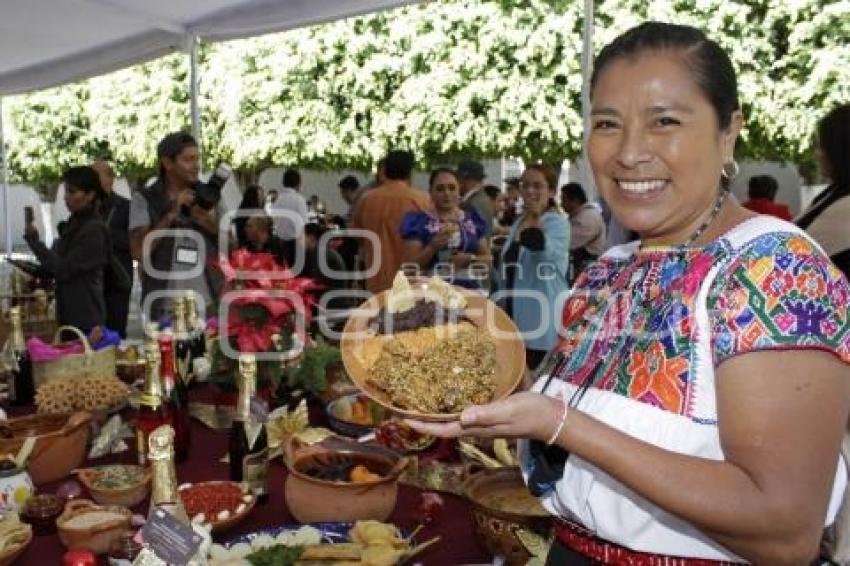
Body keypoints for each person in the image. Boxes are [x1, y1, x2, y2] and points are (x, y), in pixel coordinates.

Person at [410, 22, 850, 564]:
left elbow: (783, 530)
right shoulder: (609, 271)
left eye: (664, 121)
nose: (629, 152)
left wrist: (560, 424)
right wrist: (482, 380)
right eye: (607, 124)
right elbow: (580, 418)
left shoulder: (773, 269)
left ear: (729, 132)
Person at [129, 132, 222, 322]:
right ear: (167, 163)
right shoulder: (145, 198)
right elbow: (138, 251)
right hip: (164, 304)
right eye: (188, 159)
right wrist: (171, 213)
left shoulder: (210, 196)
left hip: (208, 302)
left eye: (197, 159)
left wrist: (208, 222)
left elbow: (233, 246)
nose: (196, 166)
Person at [491, 163, 570, 370]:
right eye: (525, 185)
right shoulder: (519, 221)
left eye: (537, 186)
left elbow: (543, 249)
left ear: (551, 191)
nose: (530, 191)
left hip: (541, 316)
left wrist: (535, 221)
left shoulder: (556, 222)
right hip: (513, 315)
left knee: (537, 385)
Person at [24, 166, 109, 333]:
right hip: (70, 314)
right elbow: (56, 262)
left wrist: (35, 243)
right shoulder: (75, 222)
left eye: (72, 192)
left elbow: (63, 269)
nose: (66, 198)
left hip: (86, 317)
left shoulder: (94, 230)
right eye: (66, 192)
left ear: (90, 195)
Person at [351, 150, 431, 293]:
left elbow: (358, 237)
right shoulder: (422, 200)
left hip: (376, 281)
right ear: (410, 172)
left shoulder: (367, 199)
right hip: (411, 282)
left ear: (385, 170)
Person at [400, 168, 491, 289]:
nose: (446, 193)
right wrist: (432, 247)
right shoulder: (419, 222)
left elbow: (488, 260)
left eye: (452, 188)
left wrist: (470, 259)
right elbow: (409, 268)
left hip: (469, 292)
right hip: (431, 292)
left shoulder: (472, 220)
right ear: (431, 192)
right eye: (440, 189)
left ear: (459, 191)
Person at [797, 104, 850, 280]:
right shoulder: (835, 190)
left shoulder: (844, 207)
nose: (818, 154)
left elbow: (796, 250)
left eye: (824, 146)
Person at [92, 159, 132, 337]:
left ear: (110, 179)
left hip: (118, 280)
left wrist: (106, 235)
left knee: (115, 333)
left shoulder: (125, 207)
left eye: (96, 176)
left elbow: (133, 241)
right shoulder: (88, 208)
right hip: (93, 281)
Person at [560, 182, 607, 283]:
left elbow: (567, 243)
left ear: (575, 200)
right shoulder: (581, 215)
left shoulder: (587, 217)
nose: (561, 204)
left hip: (587, 268)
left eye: (564, 200)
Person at [457, 160, 494, 237]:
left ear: (464, 179)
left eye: (458, 178)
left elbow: (475, 236)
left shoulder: (472, 203)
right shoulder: (482, 198)